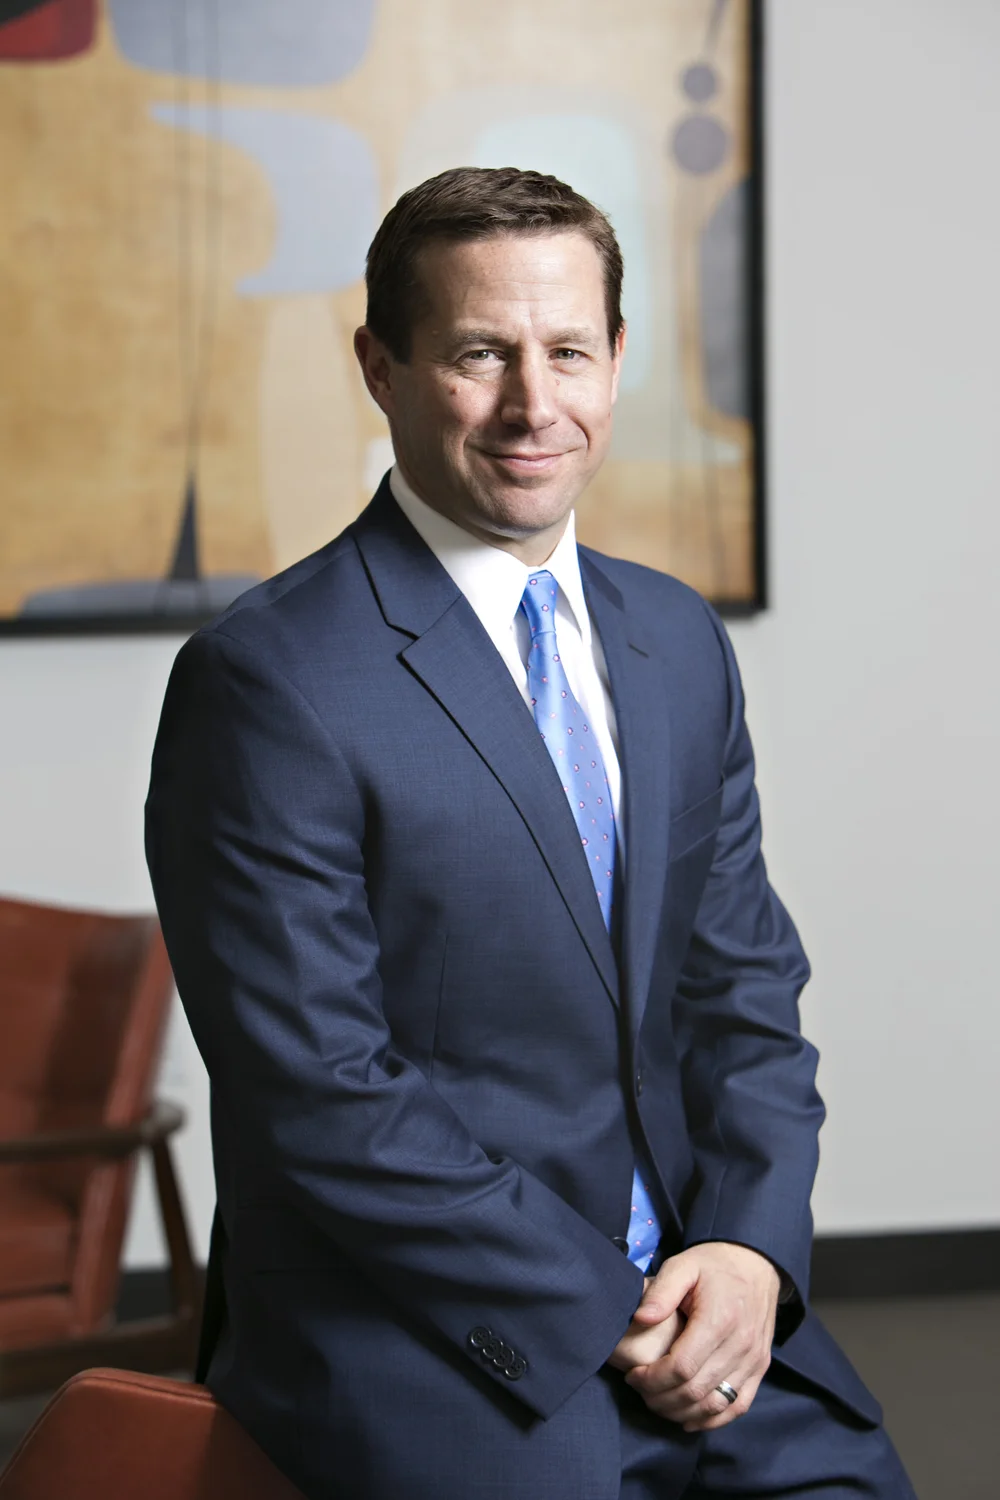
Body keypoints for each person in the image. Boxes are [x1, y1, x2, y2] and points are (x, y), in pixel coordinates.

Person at [145, 167, 915, 1499]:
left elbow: (742, 998)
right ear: (380, 368)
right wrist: (604, 1315)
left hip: (702, 1316)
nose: (531, 404)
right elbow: (320, 1093)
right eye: (478, 355)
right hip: (426, 1339)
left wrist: (747, 1255)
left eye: (567, 351)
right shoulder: (267, 681)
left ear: (618, 361)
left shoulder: (674, 642)